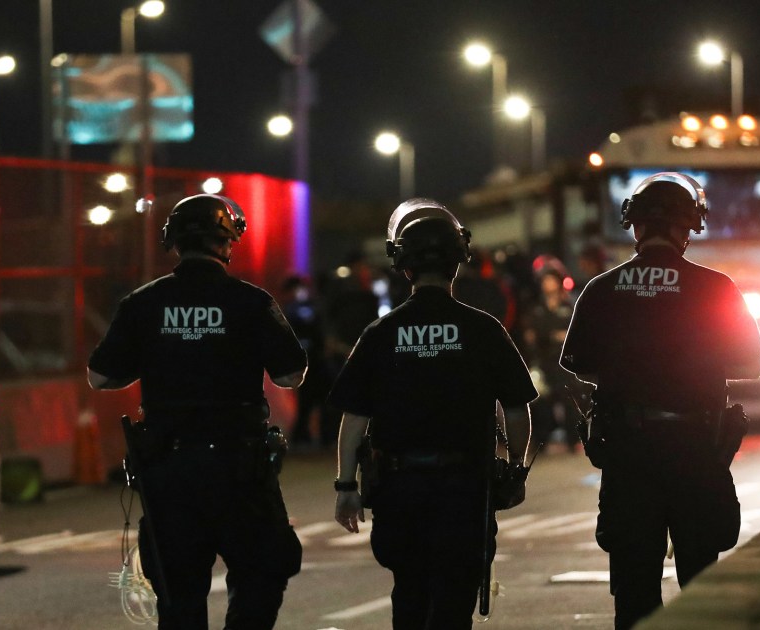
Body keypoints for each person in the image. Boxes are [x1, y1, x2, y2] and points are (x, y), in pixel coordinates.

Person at [87, 193, 308, 629]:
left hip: (169, 470)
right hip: (240, 469)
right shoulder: (250, 301)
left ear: (174, 242)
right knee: (262, 573)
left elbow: (101, 376)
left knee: (179, 592)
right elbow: (291, 374)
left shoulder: (144, 303)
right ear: (227, 242)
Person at [559, 173, 760, 630]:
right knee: (702, 582)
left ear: (635, 226)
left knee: (634, 586)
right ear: (688, 227)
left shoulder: (601, 289)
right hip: (696, 448)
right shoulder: (715, 287)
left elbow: (577, 363)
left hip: (628, 453)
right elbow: (750, 365)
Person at [330, 198, 539, 629]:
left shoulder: (381, 333)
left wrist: (346, 484)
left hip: (399, 488)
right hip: (464, 489)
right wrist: (516, 470)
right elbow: (517, 410)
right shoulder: (483, 329)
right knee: (453, 600)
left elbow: (354, 418)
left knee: (409, 593)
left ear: (402, 265)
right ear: (457, 262)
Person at [522, 254, 584, 452]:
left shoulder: (569, 307)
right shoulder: (537, 309)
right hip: (544, 360)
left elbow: (575, 332)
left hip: (564, 360)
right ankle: (541, 440)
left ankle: (573, 439)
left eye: (551, 279)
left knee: (569, 400)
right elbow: (531, 336)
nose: (548, 284)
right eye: (544, 280)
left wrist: (560, 336)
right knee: (541, 400)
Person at [279, 274, 334, 448]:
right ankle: (308, 437)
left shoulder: (299, 309)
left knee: (312, 402)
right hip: (310, 363)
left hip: (313, 362)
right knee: (309, 403)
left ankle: (309, 436)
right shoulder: (298, 309)